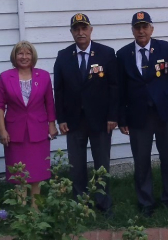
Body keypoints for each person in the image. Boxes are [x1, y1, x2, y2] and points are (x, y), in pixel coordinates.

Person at [117, 11, 168, 217]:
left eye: (145, 26)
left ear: (151, 29)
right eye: (137, 27)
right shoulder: (123, 54)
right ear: (132, 30)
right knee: (142, 160)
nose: (141, 31)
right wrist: (122, 118)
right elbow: (120, 89)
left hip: (164, 114)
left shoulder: (165, 48)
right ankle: (145, 202)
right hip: (138, 116)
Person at [53, 13, 117, 216]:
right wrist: (60, 118)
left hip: (100, 119)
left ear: (91, 30)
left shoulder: (106, 54)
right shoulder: (63, 56)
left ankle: (103, 203)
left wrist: (113, 116)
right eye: (76, 29)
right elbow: (59, 90)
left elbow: (114, 87)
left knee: (102, 163)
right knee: (76, 165)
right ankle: (80, 203)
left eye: (84, 28)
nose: (80, 32)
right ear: (71, 32)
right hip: (73, 121)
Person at [0, 40, 58, 199]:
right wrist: (2, 130)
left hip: (38, 131)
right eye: (20, 53)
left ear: (33, 56)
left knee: (37, 172)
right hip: (14, 133)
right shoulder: (5, 77)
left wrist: (52, 125)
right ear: (15, 56)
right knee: (18, 174)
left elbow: (49, 103)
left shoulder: (43, 76)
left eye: (28, 53)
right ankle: (21, 212)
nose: (24, 57)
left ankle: (35, 211)